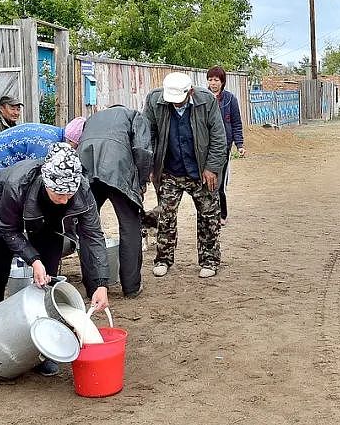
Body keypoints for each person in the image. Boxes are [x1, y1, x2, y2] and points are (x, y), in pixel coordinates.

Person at [0, 143, 110, 376]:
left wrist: (100, 284)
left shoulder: (81, 191)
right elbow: (9, 230)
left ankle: (43, 349)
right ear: (46, 182)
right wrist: (33, 260)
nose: (65, 200)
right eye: (59, 193)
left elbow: (93, 237)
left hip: (47, 222)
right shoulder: (15, 186)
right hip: (2, 207)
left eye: (69, 194)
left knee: (49, 282)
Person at [143, 72, 227, 279]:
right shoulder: (155, 100)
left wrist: (212, 167)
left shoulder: (206, 101)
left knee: (209, 216)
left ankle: (209, 260)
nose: (176, 105)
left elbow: (218, 137)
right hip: (170, 170)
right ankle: (163, 259)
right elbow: (148, 134)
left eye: (180, 101)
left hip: (200, 170)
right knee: (166, 216)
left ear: (190, 92)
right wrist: (151, 164)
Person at [76, 106, 153, 298]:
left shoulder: (93, 117)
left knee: (87, 227)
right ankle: (131, 286)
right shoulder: (134, 116)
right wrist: (142, 181)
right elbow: (142, 150)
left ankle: (93, 287)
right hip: (117, 168)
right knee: (130, 226)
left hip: (86, 167)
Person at [0, 117, 85, 193]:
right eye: (77, 146)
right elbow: (33, 177)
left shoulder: (54, 134)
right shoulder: (46, 145)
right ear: (71, 141)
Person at [205, 66, 246, 226]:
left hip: (224, 146)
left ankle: (222, 214)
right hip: (205, 146)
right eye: (210, 79)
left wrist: (239, 144)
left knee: (219, 182)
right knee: (205, 182)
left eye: (216, 80)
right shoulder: (202, 97)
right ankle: (208, 214)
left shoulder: (230, 99)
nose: (213, 83)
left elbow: (236, 123)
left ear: (222, 82)